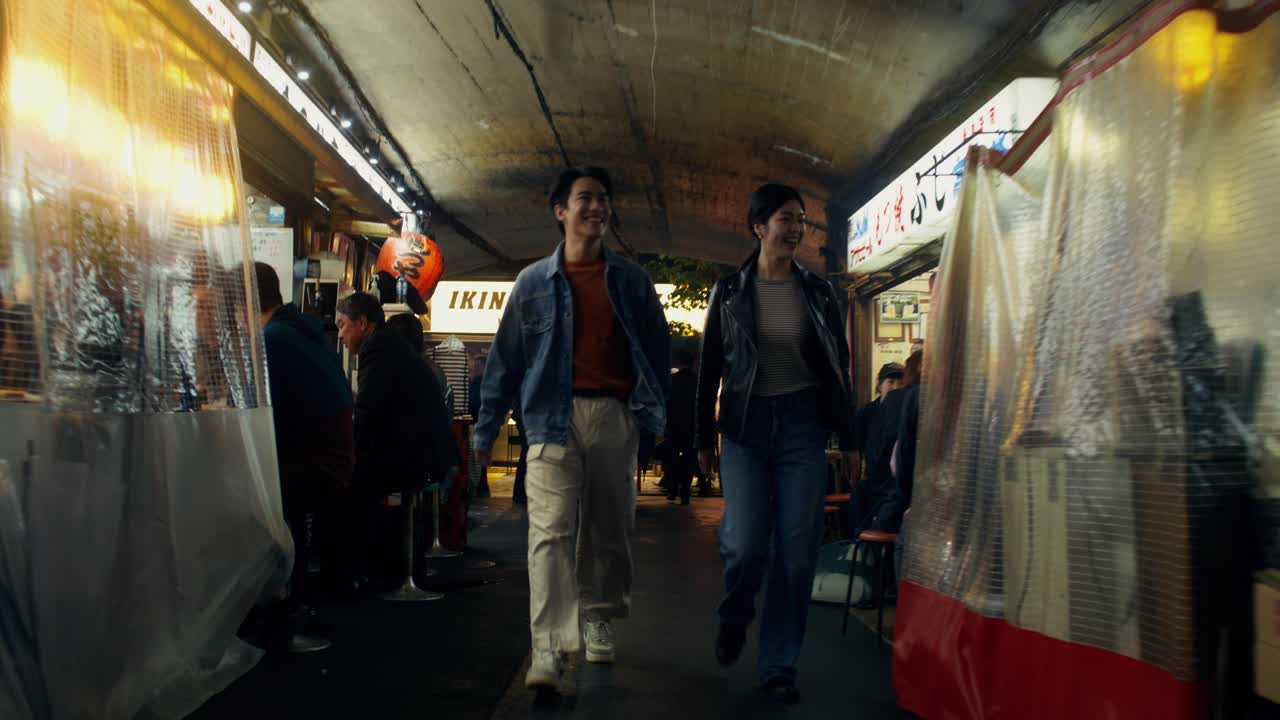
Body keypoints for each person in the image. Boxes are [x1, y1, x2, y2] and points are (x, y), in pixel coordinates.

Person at [472, 166, 671, 695]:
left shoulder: (631, 280)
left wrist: (649, 415)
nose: (597, 207)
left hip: (612, 417)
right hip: (548, 419)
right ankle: (549, 647)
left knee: (608, 532)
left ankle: (598, 617)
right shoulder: (533, 283)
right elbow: (504, 362)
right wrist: (484, 432)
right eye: (585, 198)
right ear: (560, 211)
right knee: (549, 535)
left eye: (603, 199)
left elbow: (656, 350)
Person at [695, 183, 855, 705]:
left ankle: (779, 665)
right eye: (785, 218)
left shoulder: (818, 291)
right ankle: (736, 614)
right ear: (759, 227)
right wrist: (700, 436)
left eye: (801, 220)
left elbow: (839, 366)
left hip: (803, 428)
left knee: (796, 553)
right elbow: (709, 369)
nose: (795, 229)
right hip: (745, 428)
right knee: (742, 546)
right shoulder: (730, 291)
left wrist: (848, 435)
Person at [253, 262, 354, 644]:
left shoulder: (273, 339)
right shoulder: (304, 331)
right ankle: (286, 602)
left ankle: (277, 608)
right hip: (334, 463)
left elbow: (257, 414)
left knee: (251, 500)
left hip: (311, 468)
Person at [335, 292, 458, 591]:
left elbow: (368, 411)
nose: (339, 335)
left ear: (362, 323)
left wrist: (352, 456)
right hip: (428, 452)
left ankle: (355, 579)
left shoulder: (376, 349)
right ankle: (391, 569)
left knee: (342, 489)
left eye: (342, 325)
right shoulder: (391, 344)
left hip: (415, 457)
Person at [850, 362, 904, 533]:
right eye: (890, 381)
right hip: (872, 480)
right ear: (879, 386)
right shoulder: (866, 413)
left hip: (895, 483)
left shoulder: (905, 412)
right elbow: (855, 448)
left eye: (900, 382)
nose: (895, 387)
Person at [656, 349, 698, 504]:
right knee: (689, 459)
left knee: (671, 457)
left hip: (674, 424)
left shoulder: (672, 380)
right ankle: (685, 491)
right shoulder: (696, 380)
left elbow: (666, 402)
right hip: (692, 425)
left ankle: (672, 490)